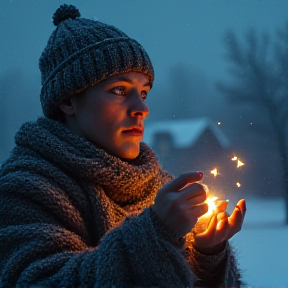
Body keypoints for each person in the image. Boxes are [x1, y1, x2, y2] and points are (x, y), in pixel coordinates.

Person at [0, 4, 246, 288]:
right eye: (120, 90)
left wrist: (207, 255)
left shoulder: (159, 190)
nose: (142, 108)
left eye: (143, 92)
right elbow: (39, 281)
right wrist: (155, 235)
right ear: (67, 101)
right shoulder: (24, 191)